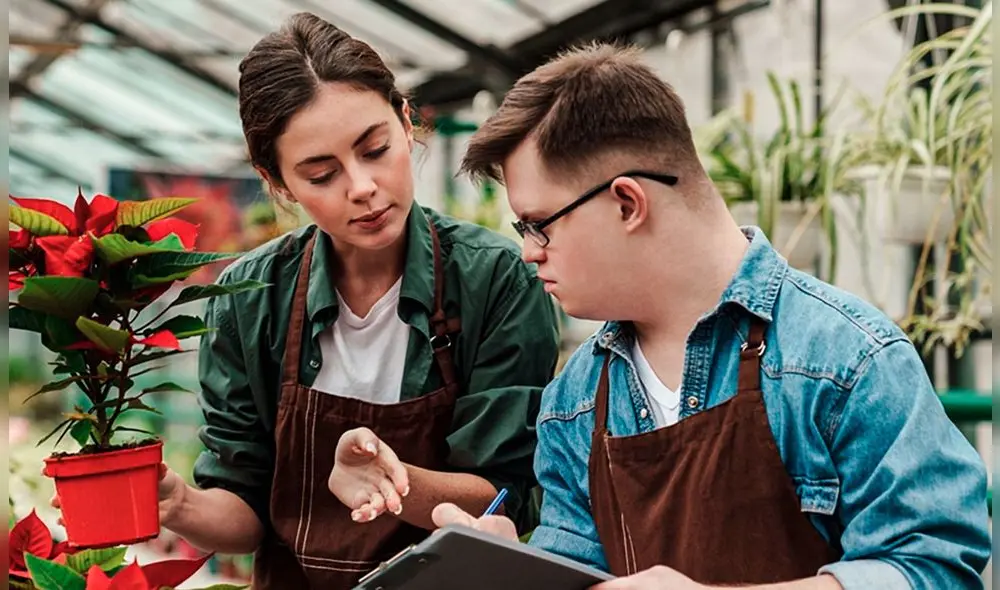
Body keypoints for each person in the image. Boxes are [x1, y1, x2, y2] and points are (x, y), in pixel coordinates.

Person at [431, 43, 991, 589]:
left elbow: (934, 566)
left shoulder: (844, 360)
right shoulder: (575, 401)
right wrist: (518, 571)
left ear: (627, 203)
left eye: (538, 225)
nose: (528, 252)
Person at [117, 12, 558, 590]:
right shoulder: (249, 298)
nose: (362, 187)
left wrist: (390, 480)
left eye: (375, 149)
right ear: (276, 180)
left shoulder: (494, 277)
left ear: (406, 122)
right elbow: (246, 513)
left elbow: (504, 494)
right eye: (321, 175)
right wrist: (180, 504)